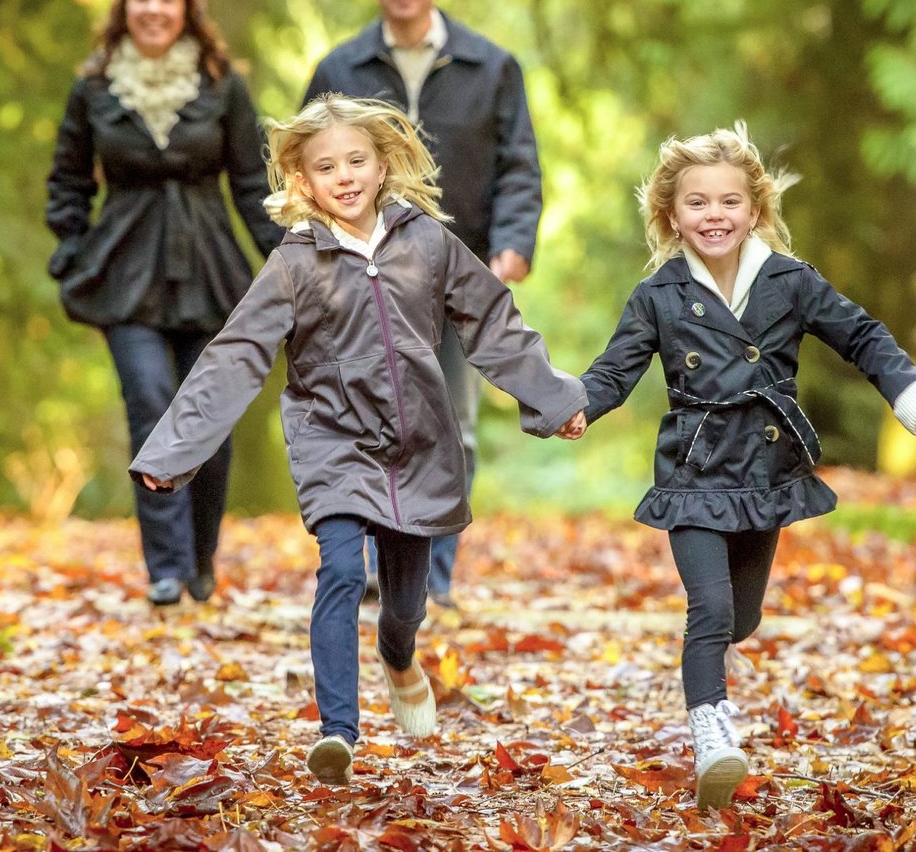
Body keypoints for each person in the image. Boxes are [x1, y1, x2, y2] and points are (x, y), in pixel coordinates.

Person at [129, 95, 586, 785]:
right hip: (333, 441)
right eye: (325, 167)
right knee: (342, 571)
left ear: (382, 165)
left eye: (355, 161)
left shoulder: (428, 243)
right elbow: (235, 356)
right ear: (302, 181)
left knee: (404, 607)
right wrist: (174, 450)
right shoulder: (294, 264)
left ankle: (398, 658)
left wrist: (554, 399)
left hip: (418, 443)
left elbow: (493, 323)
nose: (343, 176)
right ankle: (337, 731)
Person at [578, 123, 916, 811]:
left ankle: (715, 663)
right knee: (710, 608)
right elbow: (613, 370)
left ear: (754, 210)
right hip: (693, 471)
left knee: (740, 618)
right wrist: (576, 407)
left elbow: (860, 335)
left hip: (766, 471)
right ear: (671, 214)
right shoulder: (658, 295)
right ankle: (712, 737)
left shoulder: (789, 282)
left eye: (729, 201)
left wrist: (907, 391)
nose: (713, 215)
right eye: (696, 202)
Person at [302, 0, 543, 607]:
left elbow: (519, 167)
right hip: (356, 278)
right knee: (363, 424)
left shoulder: (491, 67)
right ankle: (374, 566)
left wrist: (512, 245)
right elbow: (302, 170)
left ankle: (431, 579)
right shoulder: (338, 70)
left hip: (455, 278)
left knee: (450, 429)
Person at [45, 0, 283, 607]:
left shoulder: (222, 85)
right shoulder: (94, 87)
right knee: (151, 403)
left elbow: (253, 182)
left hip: (210, 269)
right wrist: (70, 249)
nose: (153, 9)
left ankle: (201, 559)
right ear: (125, 8)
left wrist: (286, 257)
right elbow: (67, 179)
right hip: (123, 271)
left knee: (208, 414)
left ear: (187, 10)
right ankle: (167, 569)